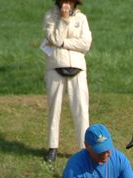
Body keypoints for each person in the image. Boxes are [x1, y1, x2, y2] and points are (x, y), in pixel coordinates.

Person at [42, 0, 92, 162]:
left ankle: (84, 148)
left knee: (81, 109)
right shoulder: (50, 17)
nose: (67, 4)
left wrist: (64, 43)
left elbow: (85, 44)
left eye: (70, 1)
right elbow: (54, 39)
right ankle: (52, 147)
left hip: (78, 68)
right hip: (55, 67)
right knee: (54, 109)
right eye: (64, 1)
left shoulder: (82, 18)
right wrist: (63, 21)